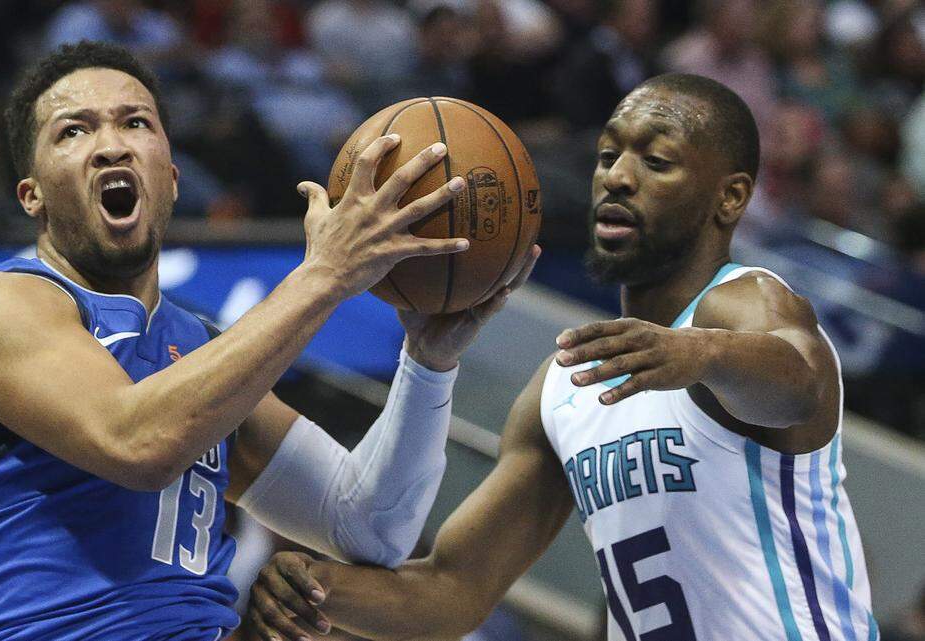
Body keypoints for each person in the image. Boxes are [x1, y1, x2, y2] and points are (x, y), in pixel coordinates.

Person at [0, 40, 537, 641]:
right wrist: (323, 275)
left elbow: (366, 526)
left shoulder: (202, 355)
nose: (110, 147)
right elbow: (138, 443)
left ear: (172, 177)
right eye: (74, 131)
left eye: (135, 123)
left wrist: (427, 363)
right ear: (31, 196)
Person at [246, 73, 878, 641]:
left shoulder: (746, 304)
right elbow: (452, 591)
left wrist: (701, 352)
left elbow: (800, 386)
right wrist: (316, 586)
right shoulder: (567, 385)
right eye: (608, 156)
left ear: (731, 198)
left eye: (656, 161)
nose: (617, 177)